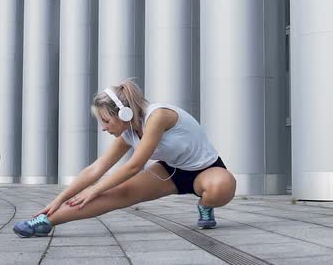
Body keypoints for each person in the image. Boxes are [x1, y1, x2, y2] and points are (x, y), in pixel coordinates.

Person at [13, 79, 237, 238]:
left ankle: (205, 206)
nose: (103, 128)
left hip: (206, 170)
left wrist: (94, 189)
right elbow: (96, 168)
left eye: (105, 120)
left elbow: (135, 166)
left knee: (220, 188)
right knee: (116, 194)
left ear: (124, 113)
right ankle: (44, 222)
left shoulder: (158, 116)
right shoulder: (128, 132)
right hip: (170, 171)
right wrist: (57, 200)